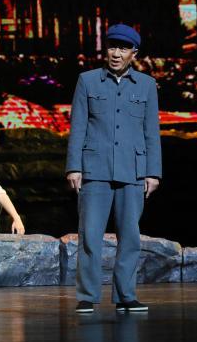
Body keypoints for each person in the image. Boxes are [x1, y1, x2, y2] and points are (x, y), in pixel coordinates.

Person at [66, 24, 162, 313]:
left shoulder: (146, 85)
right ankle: (87, 295)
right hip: (94, 169)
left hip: (133, 170)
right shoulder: (87, 80)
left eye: (123, 48)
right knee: (90, 235)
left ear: (134, 53)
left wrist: (153, 172)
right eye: (112, 47)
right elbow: (78, 126)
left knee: (130, 237)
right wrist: (73, 167)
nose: (116, 53)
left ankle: (125, 296)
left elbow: (151, 131)